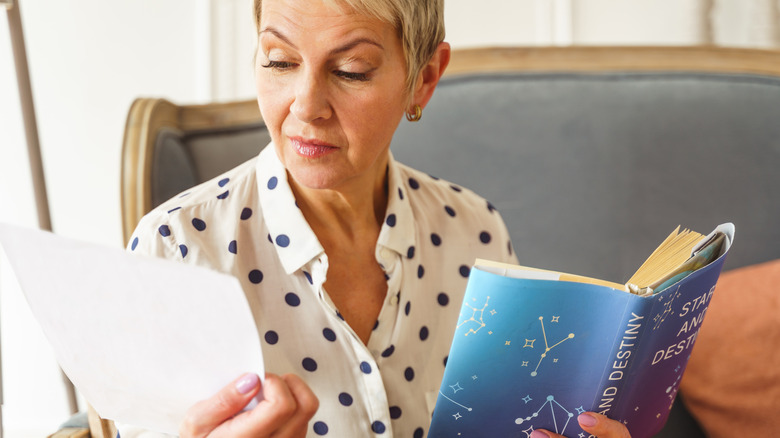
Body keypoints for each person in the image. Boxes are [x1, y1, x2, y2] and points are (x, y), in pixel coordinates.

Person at [125, 0, 633, 437]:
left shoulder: (476, 232)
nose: (305, 106)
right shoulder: (176, 249)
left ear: (424, 79)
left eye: (350, 71)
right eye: (279, 62)